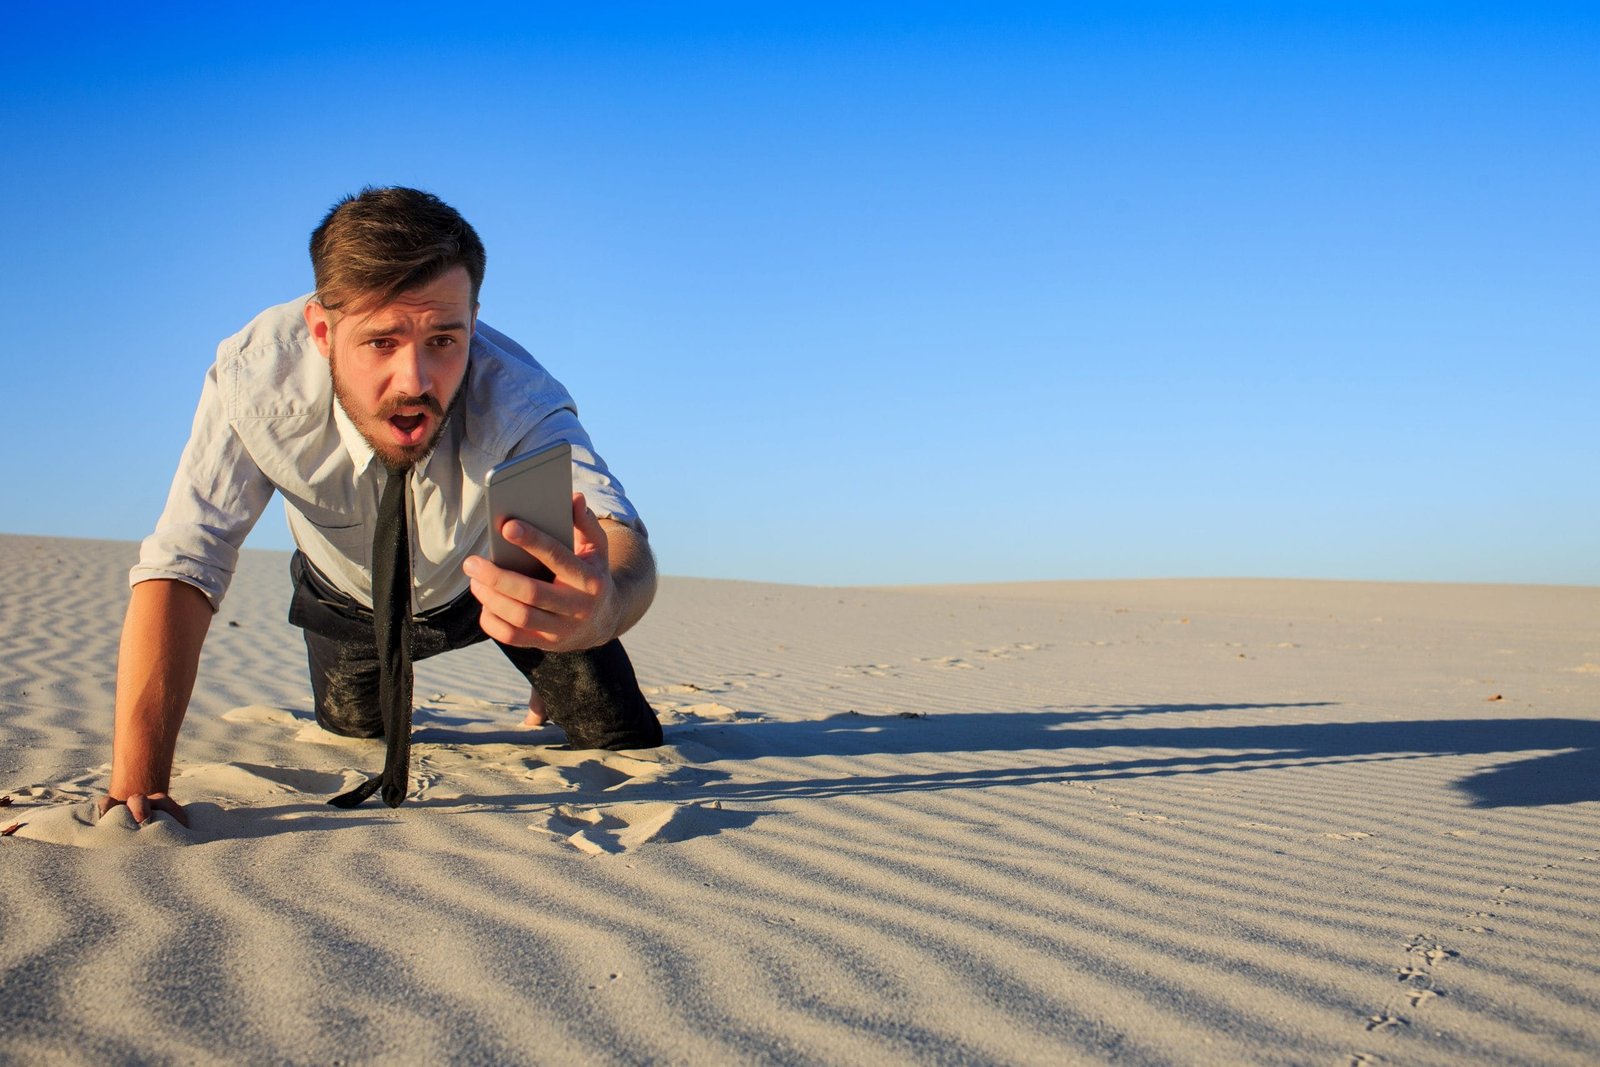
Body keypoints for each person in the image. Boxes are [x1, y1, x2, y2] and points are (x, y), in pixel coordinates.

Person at [98, 186, 662, 825]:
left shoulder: (518, 396)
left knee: (625, 738)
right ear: (322, 331)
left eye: (444, 340)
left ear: (473, 320)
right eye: (382, 342)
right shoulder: (256, 381)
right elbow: (186, 559)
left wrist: (600, 609)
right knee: (353, 730)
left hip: (492, 590)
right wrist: (138, 786)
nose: (415, 381)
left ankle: (547, 671)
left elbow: (621, 535)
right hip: (347, 597)